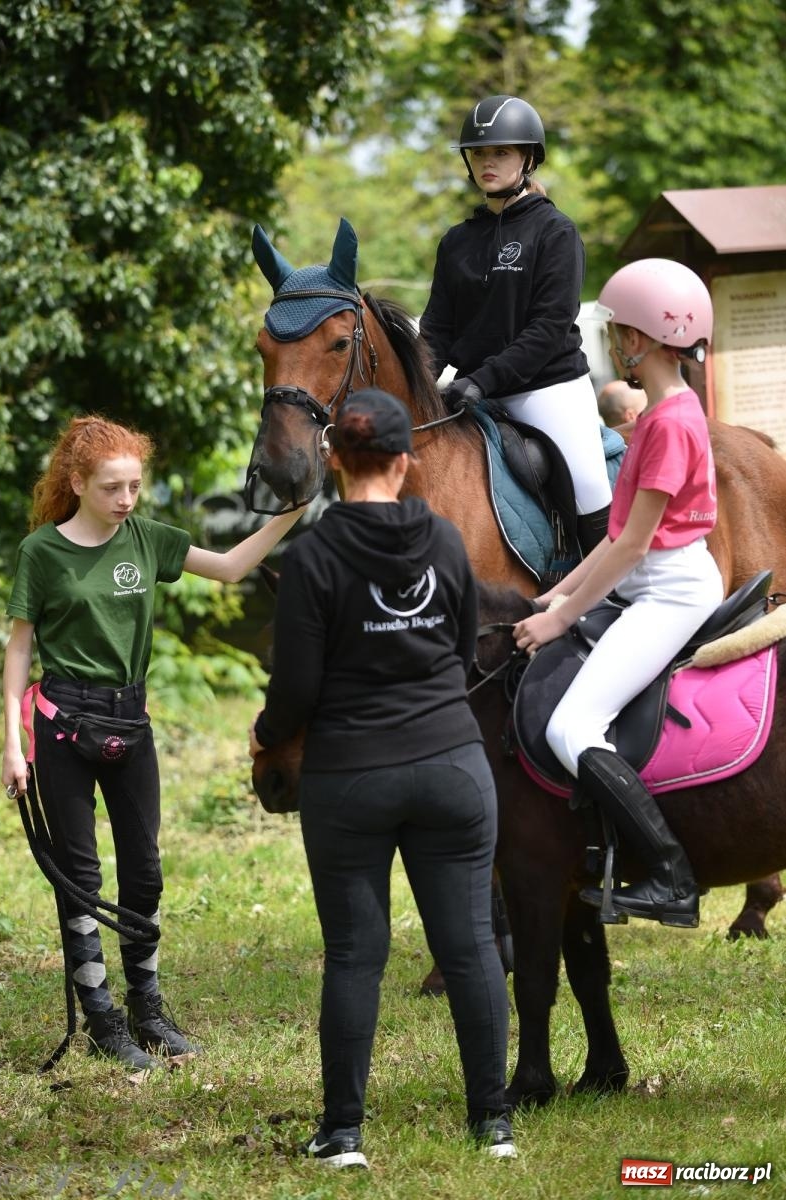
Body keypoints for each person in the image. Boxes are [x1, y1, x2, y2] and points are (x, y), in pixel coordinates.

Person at [248, 387, 515, 1168]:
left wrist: (264, 735)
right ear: (403, 462)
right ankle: (491, 1125)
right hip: (452, 771)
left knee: (355, 956)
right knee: (467, 946)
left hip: (351, 779)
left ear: (331, 459)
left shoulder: (312, 557)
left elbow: (294, 687)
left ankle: (343, 1135)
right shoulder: (442, 540)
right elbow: (466, 651)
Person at [1, 415, 305, 1070]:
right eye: (113, 487)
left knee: (145, 872)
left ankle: (148, 1009)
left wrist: (291, 514)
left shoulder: (146, 538)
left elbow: (226, 567)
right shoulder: (43, 553)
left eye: (135, 486)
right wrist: (11, 742)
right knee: (80, 879)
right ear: (77, 482)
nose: (126, 500)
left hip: (130, 722)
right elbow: (19, 647)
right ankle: (100, 1020)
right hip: (62, 725)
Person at [513, 259, 724, 929]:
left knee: (569, 726)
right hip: (647, 580)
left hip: (669, 591)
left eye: (619, 331)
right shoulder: (670, 410)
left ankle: (669, 877)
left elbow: (634, 545)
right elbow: (612, 540)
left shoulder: (666, 423)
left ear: (644, 338)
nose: (612, 343)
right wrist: (557, 598)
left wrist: (560, 621)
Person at [420, 93, 612, 555]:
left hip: (546, 388)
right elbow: (436, 331)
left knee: (587, 483)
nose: (488, 162)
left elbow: (547, 329)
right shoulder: (457, 241)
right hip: (471, 392)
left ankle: (613, 592)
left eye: (500, 152)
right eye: (480, 153)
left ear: (527, 158)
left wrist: (481, 381)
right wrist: (414, 382)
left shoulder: (556, 232)